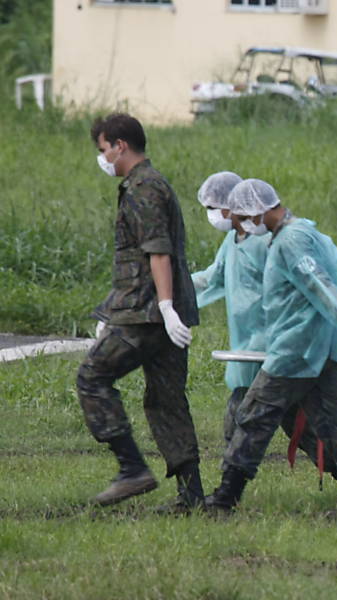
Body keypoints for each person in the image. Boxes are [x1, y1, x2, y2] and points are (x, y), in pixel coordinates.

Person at [205, 180, 337, 514]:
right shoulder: (290, 235)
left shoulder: (291, 241)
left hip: (296, 350)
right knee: (334, 422)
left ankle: (226, 496)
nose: (242, 224)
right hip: (314, 350)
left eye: (244, 216)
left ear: (260, 210)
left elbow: (320, 285)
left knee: (254, 416)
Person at [77, 113, 202, 508]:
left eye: (103, 149)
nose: (102, 158)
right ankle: (191, 494)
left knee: (92, 377)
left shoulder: (143, 188)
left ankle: (132, 469)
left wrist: (164, 307)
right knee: (167, 399)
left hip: (145, 312)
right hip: (157, 311)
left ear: (120, 145)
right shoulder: (152, 183)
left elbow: (157, 251)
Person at [191, 172, 321, 469]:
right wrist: (169, 288)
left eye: (215, 208)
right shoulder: (232, 241)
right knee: (275, 412)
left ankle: (229, 482)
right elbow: (213, 277)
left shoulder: (268, 241)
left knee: (248, 414)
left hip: (274, 339)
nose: (213, 215)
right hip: (249, 341)